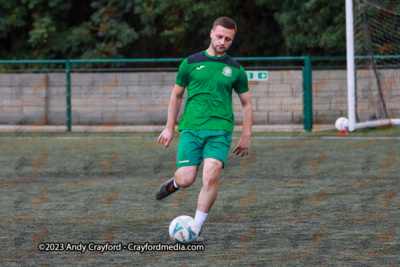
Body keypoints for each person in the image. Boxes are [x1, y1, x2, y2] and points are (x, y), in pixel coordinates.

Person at [155, 16, 253, 241]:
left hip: (220, 131)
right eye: (219, 36)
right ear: (211, 33)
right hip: (191, 129)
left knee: (210, 178)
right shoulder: (190, 63)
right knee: (187, 179)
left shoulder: (236, 69)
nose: (223, 42)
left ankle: (195, 228)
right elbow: (176, 95)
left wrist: (246, 134)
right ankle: (175, 183)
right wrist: (169, 127)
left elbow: (246, 104)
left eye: (228, 39)